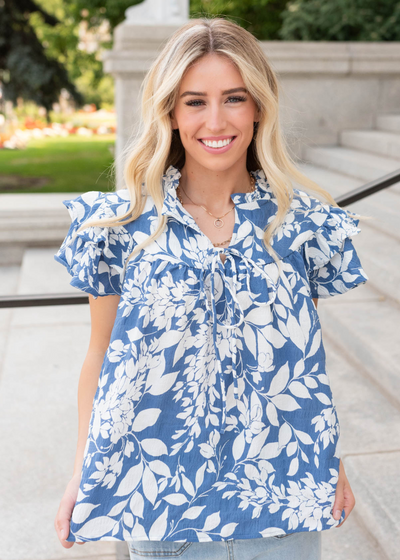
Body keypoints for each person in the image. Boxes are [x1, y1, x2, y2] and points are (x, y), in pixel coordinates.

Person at [53, 16, 369, 560]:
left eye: (234, 98)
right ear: (170, 112)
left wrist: (328, 459)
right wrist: (83, 472)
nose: (215, 120)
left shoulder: (300, 227)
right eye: (195, 101)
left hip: (282, 502)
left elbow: (300, 363)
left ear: (259, 107)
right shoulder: (122, 227)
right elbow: (101, 358)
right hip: (162, 508)